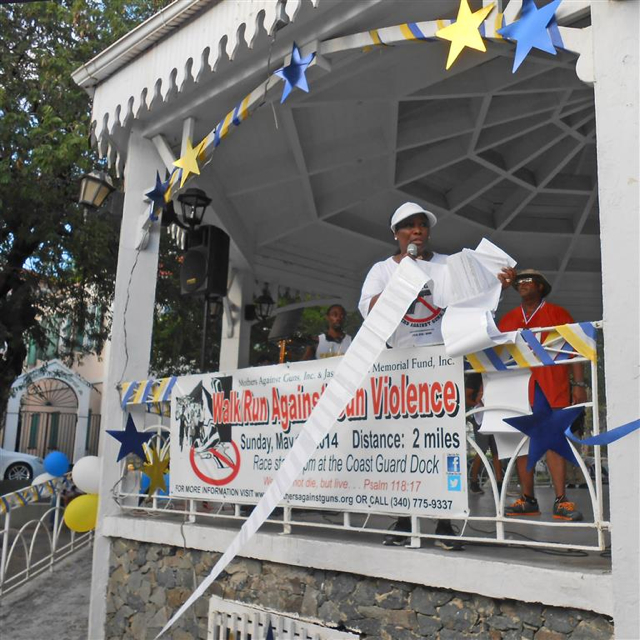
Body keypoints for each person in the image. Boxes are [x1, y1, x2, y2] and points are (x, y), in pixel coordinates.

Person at [358, 202, 516, 549]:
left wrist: (498, 288)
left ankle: (444, 523)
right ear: (397, 234)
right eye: (408, 226)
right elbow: (369, 311)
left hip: (443, 363)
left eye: (422, 225)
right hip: (401, 367)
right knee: (403, 444)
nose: (417, 231)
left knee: (445, 442)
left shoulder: (447, 265)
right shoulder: (383, 270)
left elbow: (473, 300)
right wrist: (404, 279)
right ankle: (403, 519)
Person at [498, 269, 587, 521]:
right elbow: (497, 358)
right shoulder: (509, 318)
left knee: (553, 441)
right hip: (517, 388)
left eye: (528, 281)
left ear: (540, 286)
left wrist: (579, 384)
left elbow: (575, 349)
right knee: (521, 442)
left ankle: (561, 499)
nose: (522, 285)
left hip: (552, 386)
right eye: (519, 282)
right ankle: (528, 499)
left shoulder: (558, 313)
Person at [465, 373, 503, 495]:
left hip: (493, 415)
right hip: (481, 417)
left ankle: (499, 484)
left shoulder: (493, 373)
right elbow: (466, 397)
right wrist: (478, 405)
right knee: (481, 449)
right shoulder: (474, 375)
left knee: (496, 449)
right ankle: (474, 482)